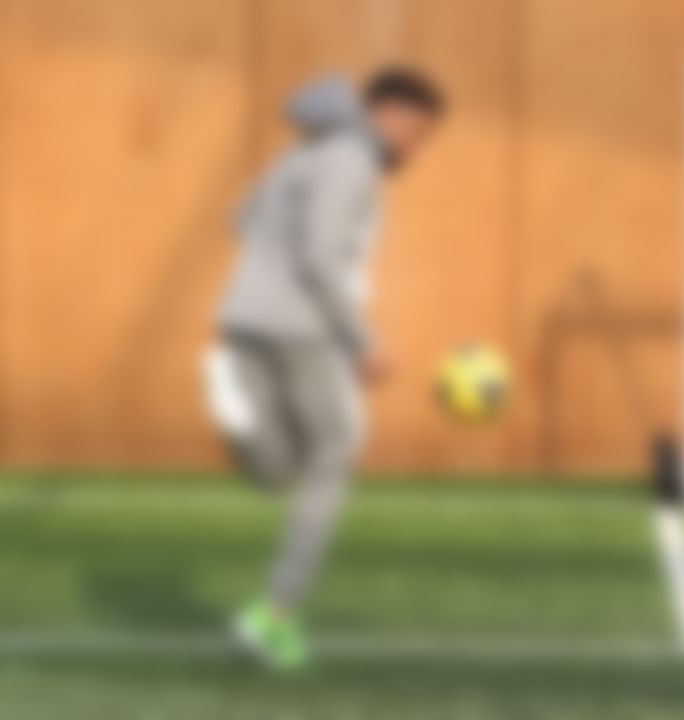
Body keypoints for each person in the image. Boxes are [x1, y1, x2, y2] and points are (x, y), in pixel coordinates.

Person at [204, 67, 446, 670]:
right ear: (389, 115)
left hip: (242, 317)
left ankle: (231, 398)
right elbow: (318, 257)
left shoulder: (305, 150)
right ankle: (276, 612)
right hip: (300, 327)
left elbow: (240, 218)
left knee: (277, 472)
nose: (414, 150)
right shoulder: (351, 160)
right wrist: (362, 341)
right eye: (416, 135)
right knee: (334, 454)